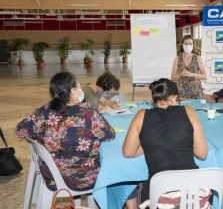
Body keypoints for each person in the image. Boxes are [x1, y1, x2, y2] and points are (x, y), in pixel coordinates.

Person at [16, 72, 137, 209]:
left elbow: (20, 130)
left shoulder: (42, 112)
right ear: (73, 91)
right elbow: (109, 134)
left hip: (52, 174)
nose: (81, 90)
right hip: (83, 176)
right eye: (79, 86)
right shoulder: (86, 111)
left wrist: (47, 137)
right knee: (121, 170)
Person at [122, 78, 208, 207]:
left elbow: (128, 152)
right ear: (174, 97)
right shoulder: (188, 111)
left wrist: (152, 141)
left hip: (159, 196)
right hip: (192, 194)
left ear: (153, 100)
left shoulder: (141, 115)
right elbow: (202, 154)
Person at [171, 35, 207, 99]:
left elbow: (205, 76)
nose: (188, 46)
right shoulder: (177, 59)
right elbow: (172, 78)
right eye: (186, 43)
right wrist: (180, 74)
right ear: (182, 45)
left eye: (190, 44)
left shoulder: (198, 58)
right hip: (181, 91)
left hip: (195, 92)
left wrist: (191, 74)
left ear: (193, 45)